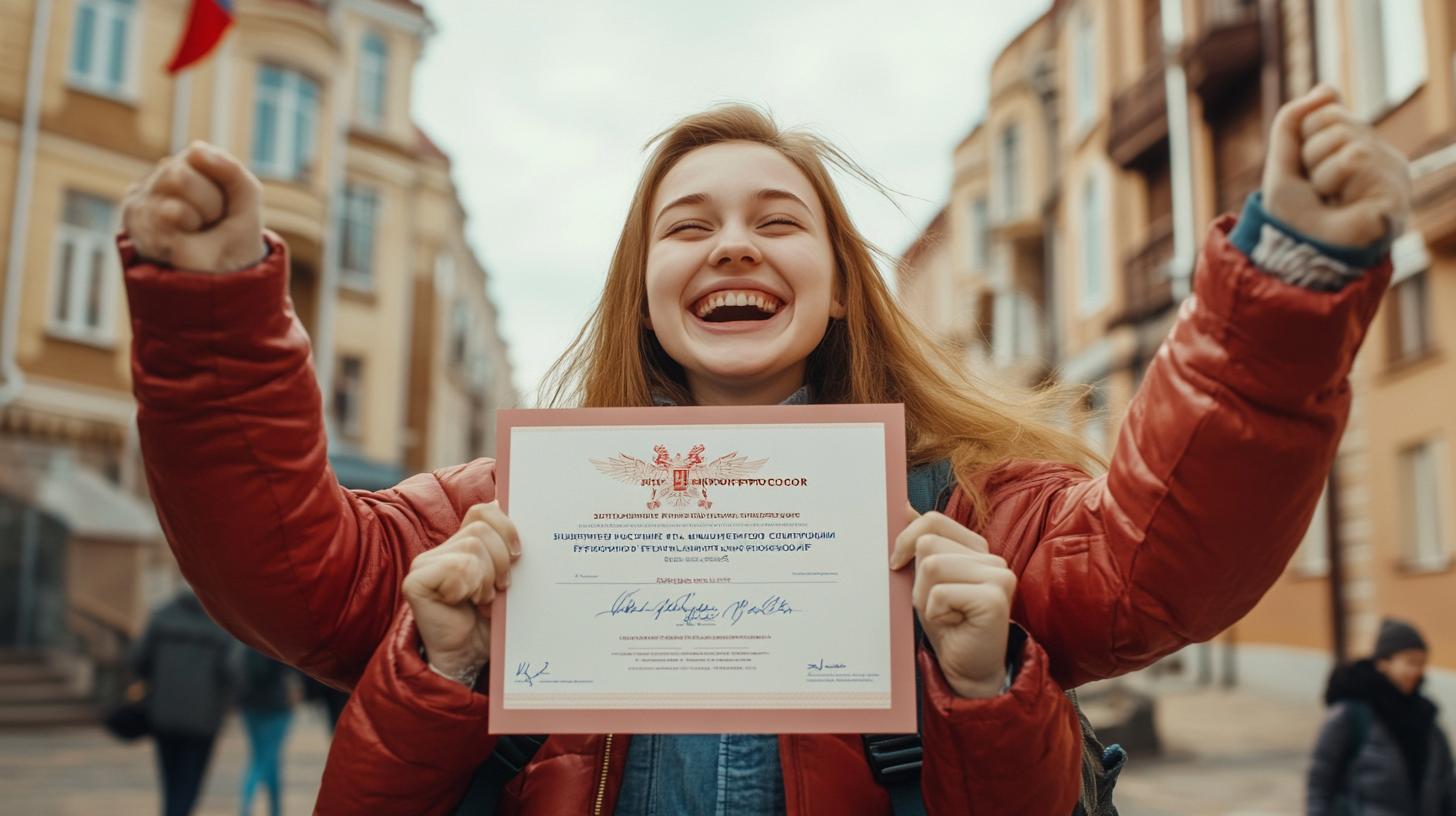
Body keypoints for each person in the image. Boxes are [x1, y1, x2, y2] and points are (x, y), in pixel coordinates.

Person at [114, 81, 1407, 815]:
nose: (732, 244)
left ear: (839, 287)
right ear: (643, 292)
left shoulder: (969, 505)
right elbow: (288, 574)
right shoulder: (509, 510)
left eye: (777, 220)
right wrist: (214, 311)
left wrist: (1286, 279)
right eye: (689, 227)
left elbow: (1158, 565)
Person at [1307, 619, 1456, 815]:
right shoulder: (1352, 714)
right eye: (1410, 662)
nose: (1417, 671)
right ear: (1383, 662)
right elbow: (1320, 784)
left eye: (1421, 663)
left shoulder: (1426, 717)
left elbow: (1446, 783)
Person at [130, 586, 237, 816]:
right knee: (189, 783)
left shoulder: (163, 615)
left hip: (164, 714)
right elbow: (232, 670)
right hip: (203, 719)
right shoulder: (220, 622)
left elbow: (139, 660)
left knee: (169, 780)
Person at [236, 647, 300, 816]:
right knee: (264, 760)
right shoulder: (276, 635)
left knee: (268, 760)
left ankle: (275, 810)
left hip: (250, 705)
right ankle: (246, 809)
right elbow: (290, 673)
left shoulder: (246, 631)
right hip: (276, 706)